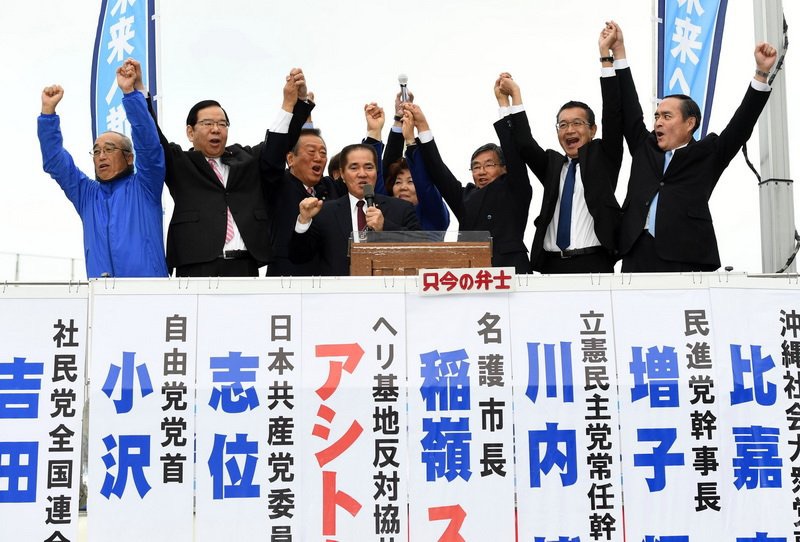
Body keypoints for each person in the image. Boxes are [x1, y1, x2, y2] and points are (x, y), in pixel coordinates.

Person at [607, 21, 777, 272]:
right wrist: (619, 52)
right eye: (656, 116)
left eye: (667, 116)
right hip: (637, 253)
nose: (658, 122)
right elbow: (630, 107)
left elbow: (742, 123)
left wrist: (761, 73)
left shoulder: (708, 153)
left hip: (687, 256)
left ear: (690, 123)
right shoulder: (645, 148)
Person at [135, 62, 308, 276]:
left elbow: (278, 144)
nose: (216, 129)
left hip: (244, 265)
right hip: (196, 266)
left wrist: (292, 104)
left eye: (222, 124)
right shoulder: (179, 162)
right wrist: (139, 91)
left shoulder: (245, 158)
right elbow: (153, 137)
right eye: (208, 124)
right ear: (190, 132)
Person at [498, 26, 623, 274]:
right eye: (563, 125)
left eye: (577, 123)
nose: (569, 130)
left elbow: (613, 113)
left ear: (593, 130)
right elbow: (524, 144)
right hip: (551, 266)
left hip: (594, 264)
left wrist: (605, 58)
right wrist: (511, 100)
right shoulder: (553, 166)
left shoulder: (603, 157)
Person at [37, 59, 167, 278]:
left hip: (149, 291)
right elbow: (55, 162)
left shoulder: (146, 185)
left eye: (109, 149)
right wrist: (48, 114)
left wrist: (130, 94)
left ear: (129, 158)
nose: (101, 156)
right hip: (101, 294)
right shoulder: (87, 194)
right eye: (96, 151)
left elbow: (148, 144)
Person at [409, 92, 532, 273]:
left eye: (489, 165)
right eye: (476, 167)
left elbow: (512, 150)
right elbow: (439, 172)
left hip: (511, 273)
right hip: (471, 274)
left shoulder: (515, 188)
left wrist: (504, 104)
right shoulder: (465, 197)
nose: (481, 171)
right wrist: (422, 126)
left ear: (504, 168)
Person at [288, 143, 421, 275]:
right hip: (341, 288)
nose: (362, 174)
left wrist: (385, 227)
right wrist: (303, 221)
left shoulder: (401, 208)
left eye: (369, 167)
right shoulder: (325, 212)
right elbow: (299, 257)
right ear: (342, 174)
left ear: (376, 172)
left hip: (388, 286)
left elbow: (422, 249)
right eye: (354, 168)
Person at [260, 74, 337, 276]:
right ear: (290, 159)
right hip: (286, 278)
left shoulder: (329, 187)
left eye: (323, 153)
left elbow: (364, 174)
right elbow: (273, 154)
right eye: (311, 152)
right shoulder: (277, 183)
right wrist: (292, 105)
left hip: (328, 278)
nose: (318, 158)